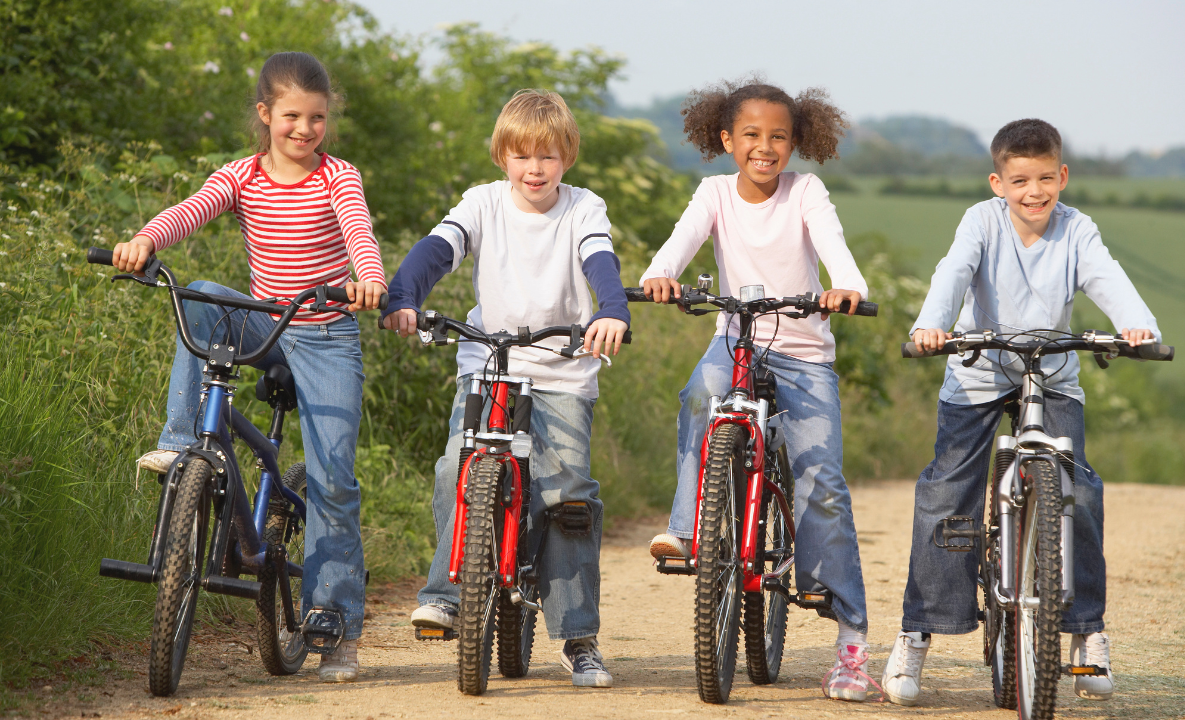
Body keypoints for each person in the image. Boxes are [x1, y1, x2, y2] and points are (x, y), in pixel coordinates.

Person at [111, 52, 386, 683]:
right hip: (266, 323)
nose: (304, 129)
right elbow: (192, 208)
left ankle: (334, 619)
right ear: (265, 115)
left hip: (323, 331)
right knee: (202, 293)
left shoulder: (338, 176)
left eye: (316, 118)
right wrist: (147, 240)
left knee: (333, 478)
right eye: (291, 116)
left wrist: (368, 279)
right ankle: (184, 443)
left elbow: (359, 234)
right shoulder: (241, 175)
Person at [881, 118, 1160, 706]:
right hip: (978, 367)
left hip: (1051, 370)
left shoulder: (1077, 229)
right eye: (1019, 180)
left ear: (1062, 176)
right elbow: (954, 269)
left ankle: (1086, 636)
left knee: (1077, 491)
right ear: (997, 182)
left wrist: (1137, 325)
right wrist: (932, 324)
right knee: (946, 491)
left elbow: (1106, 276)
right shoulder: (980, 221)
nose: (1033, 192)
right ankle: (917, 632)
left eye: (1043, 179)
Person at [382, 89, 630, 689]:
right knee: (454, 468)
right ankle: (448, 593)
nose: (534, 169)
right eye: (522, 157)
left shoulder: (583, 209)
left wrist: (612, 310)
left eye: (547, 156)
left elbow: (600, 263)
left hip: (563, 367)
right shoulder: (482, 204)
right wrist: (403, 296)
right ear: (502, 158)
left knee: (568, 495)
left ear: (567, 156)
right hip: (489, 365)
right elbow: (436, 252)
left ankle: (578, 636)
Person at [639, 80, 878, 702]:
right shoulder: (714, 192)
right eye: (751, 135)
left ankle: (851, 644)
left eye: (778, 136)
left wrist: (845, 285)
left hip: (803, 355)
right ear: (726, 140)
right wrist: (661, 274)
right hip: (735, 342)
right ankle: (689, 528)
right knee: (701, 395)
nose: (764, 148)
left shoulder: (806, 191)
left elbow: (833, 246)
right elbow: (679, 242)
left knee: (821, 478)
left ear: (795, 142)